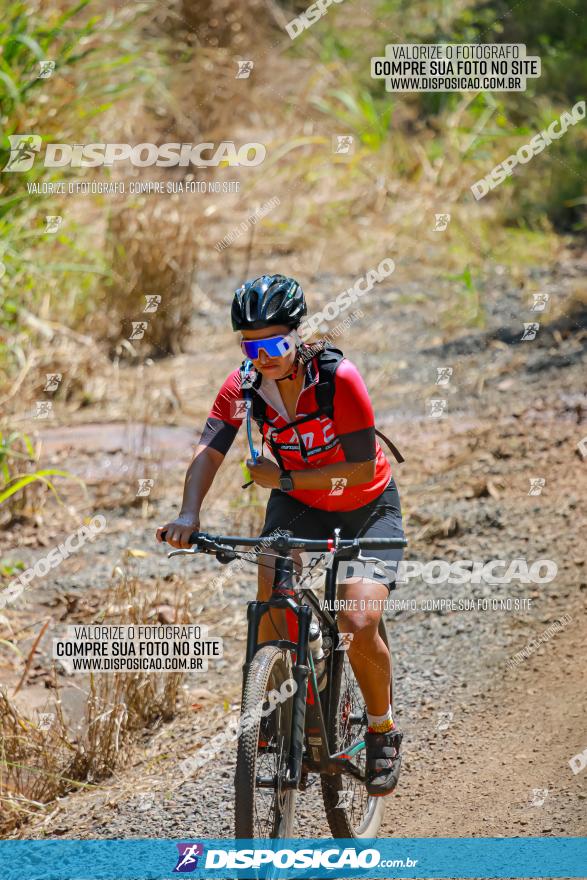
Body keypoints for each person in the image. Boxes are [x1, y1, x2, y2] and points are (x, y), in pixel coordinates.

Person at [156, 273, 405, 796]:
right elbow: (209, 450)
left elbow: (359, 470)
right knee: (271, 605)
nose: (263, 355)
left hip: (366, 507)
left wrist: (285, 477)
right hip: (297, 508)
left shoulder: (339, 378)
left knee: (358, 620)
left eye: (275, 343)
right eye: (252, 345)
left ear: (298, 335)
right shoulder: (243, 387)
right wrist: (188, 514)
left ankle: (382, 730)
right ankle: (279, 698)